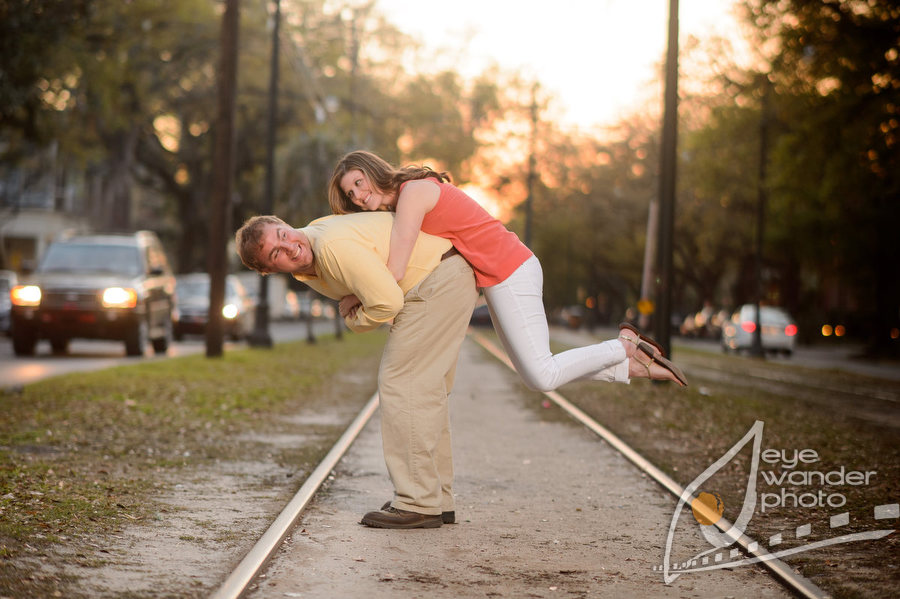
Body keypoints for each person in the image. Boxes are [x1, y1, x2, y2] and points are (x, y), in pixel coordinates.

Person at [327, 150, 687, 389]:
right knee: (534, 375)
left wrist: (354, 296)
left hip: (510, 269)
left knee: (543, 374)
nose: (357, 196)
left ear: (373, 171)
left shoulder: (412, 194)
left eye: (358, 183)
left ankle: (624, 345)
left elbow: (397, 267)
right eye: (350, 194)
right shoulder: (406, 198)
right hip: (500, 275)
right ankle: (634, 367)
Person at [235, 212, 478, 529]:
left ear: (285, 224)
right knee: (426, 392)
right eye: (276, 253)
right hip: (442, 277)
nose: (289, 247)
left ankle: (418, 501)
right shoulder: (308, 264)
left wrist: (354, 321)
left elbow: (387, 303)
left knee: (401, 385)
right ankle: (435, 498)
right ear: (269, 271)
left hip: (437, 279)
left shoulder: (331, 247)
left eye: (283, 235)